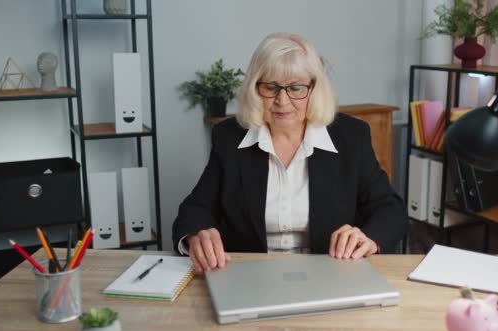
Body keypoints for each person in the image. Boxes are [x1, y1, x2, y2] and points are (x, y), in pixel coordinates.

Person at [173, 32, 407, 273]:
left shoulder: (351, 136)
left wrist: (368, 238)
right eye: (271, 87)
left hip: (332, 274)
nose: (282, 100)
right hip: (248, 276)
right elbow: (195, 209)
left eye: (296, 88)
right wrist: (196, 234)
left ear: (314, 89)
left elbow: (390, 209)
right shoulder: (229, 137)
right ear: (255, 88)